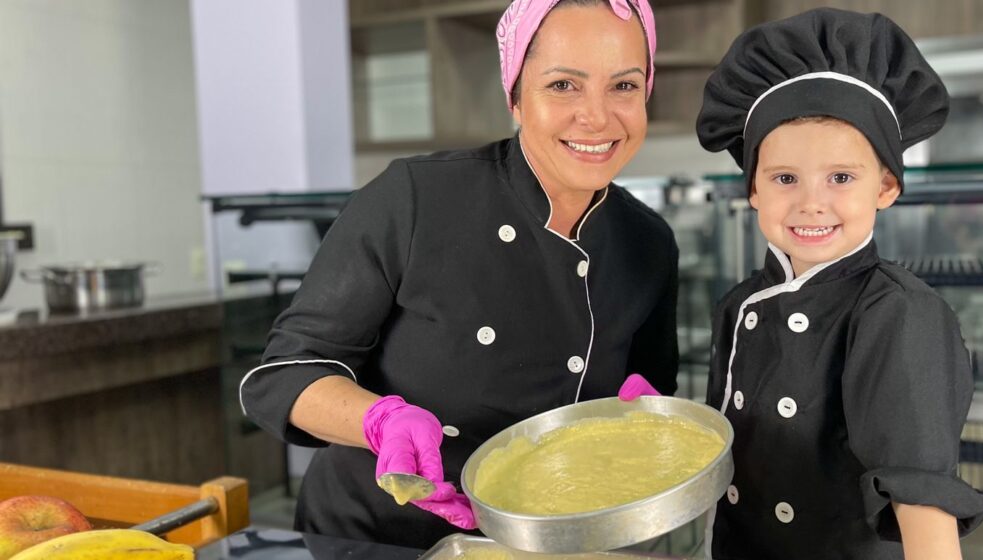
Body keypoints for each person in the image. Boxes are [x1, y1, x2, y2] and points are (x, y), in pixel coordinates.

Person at [239, 0, 678, 549]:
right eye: (563, 85)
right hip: (379, 537)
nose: (596, 117)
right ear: (515, 97)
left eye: (624, 86)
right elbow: (286, 375)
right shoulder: (416, 198)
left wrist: (642, 422)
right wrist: (379, 421)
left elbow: (650, 389)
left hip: (546, 539)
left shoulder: (648, 241)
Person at [692, 8, 983, 559]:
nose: (810, 202)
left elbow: (921, 496)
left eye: (841, 177)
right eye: (784, 178)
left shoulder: (899, 315)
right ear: (752, 190)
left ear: (886, 187)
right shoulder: (738, 305)